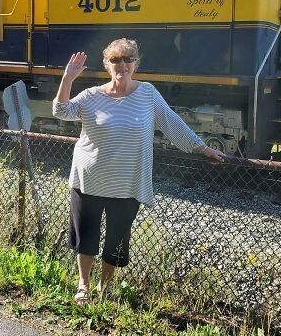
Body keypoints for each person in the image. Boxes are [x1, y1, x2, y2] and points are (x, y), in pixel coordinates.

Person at [52, 38, 225, 305]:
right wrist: (68, 78)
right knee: (86, 235)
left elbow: (171, 122)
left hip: (128, 182)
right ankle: (83, 285)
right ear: (106, 65)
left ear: (136, 64)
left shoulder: (148, 93)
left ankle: (104, 288)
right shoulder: (91, 96)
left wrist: (201, 147)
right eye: (115, 60)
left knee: (116, 241)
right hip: (89, 179)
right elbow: (61, 111)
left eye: (127, 59)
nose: (122, 64)